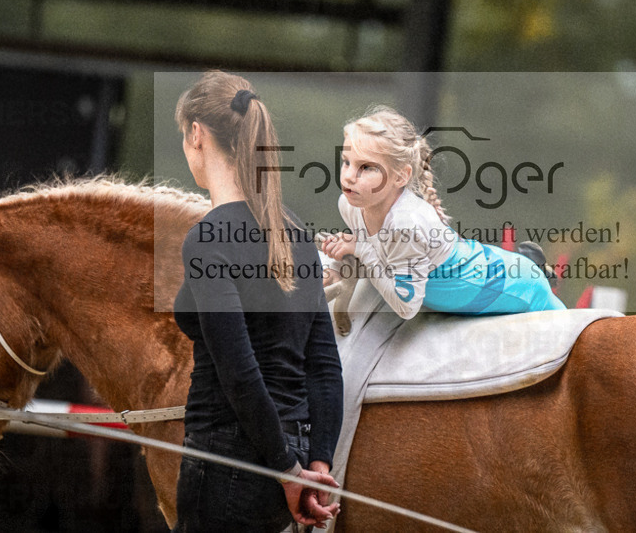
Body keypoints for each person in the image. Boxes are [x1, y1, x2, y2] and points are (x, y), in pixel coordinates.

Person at [173, 71, 343, 532]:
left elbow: (240, 373)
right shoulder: (298, 236)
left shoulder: (209, 238)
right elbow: (324, 363)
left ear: (196, 133)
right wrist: (317, 465)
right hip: (293, 453)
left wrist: (288, 471)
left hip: (231, 458)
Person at [320, 105, 566, 319]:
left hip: (509, 287)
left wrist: (360, 249)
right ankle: (531, 265)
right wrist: (336, 265)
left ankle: (534, 270)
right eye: (346, 162)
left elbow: (406, 306)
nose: (349, 176)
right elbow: (378, 250)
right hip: (478, 266)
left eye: (366, 167)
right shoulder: (350, 204)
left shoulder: (406, 225)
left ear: (401, 176)